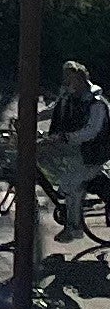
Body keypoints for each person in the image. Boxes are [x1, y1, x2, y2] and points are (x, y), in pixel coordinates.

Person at [53, 61, 110, 235]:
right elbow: (53, 110)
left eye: (71, 80)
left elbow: (92, 132)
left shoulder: (96, 103)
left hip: (94, 154)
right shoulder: (72, 97)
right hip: (77, 152)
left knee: (73, 185)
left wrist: (67, 137)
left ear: (81, 79)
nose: (68, 84)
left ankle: (74, 228)